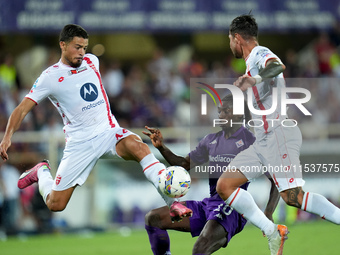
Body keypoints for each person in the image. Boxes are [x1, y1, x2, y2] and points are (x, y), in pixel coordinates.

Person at [0, 24, 192, 220]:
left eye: (84, 47)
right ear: (63, 45)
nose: (82, 53)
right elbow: (21, 109)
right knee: (55, 204)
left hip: (108, 133)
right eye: (77, 47)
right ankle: (41, 171)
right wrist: (7, 137)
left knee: (139, 147)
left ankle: (173, 203)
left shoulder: (92, 61)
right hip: (80, 143)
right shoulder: (49, 77)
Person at [215, 14, 340, 255]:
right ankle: (272, 231)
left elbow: (277, 66)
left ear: (237, 38)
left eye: (230, 39)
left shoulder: (260, 53)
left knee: (293, 197)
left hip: (277, 134)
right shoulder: (251, 62)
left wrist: (255, 78)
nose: (230, 44)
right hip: (260, 141)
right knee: (225, 185)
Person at [143, 94, 280, 255]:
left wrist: (268, 212)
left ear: (238, 114)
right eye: (219, 111)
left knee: (200, 249)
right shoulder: (211, 140)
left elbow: (276, 179)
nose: (220, 115)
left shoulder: (251, 142)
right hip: (209, 204)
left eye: (225, 111)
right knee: (153, 218)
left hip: (232, 209)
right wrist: (161, 147)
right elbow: (183, 164)